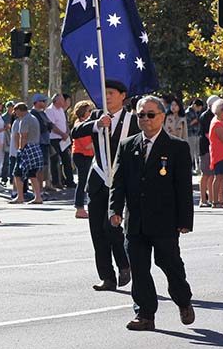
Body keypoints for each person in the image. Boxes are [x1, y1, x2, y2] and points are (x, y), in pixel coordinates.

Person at [109, 95, 195, 331]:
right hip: (135, 221)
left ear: (162, 117)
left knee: (169, 264)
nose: (145, 119)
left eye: (150, 114)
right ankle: (145, 314)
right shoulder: (128, 146)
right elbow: (118, 183)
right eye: (140, 115)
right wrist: (115, 209)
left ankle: (183, 300)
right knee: (139, 268)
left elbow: (183, 188)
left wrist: (185, 220)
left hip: (165, 221)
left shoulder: (177, 147)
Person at [71, 80, 136, 291]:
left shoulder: (132, 120)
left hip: (121, 181)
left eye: (111, 93)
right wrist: (96, 124)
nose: (107, 96)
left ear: (122, 95)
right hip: (98, 179)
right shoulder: (98, 115)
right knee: (97, 231)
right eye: (104, 93)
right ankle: (107, 277)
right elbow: (76, 131)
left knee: (112, 227)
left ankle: (124, 264)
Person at [10, 103, 43, 204]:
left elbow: (23, 136)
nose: (15, 113)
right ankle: (38, 197)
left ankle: (20, 196)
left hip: (27, 148)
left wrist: (20, 149)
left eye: (16, 111)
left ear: (20, 110)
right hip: (36, 147)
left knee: (17, 173)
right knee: (32, 174)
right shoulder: (33, 118)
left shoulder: (24, 120)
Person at [45, 94, 75, 189]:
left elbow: (64, 122)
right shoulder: (50, 110)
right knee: (55, 160)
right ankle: (56, 182)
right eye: (62, 100)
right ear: (56, 101)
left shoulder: (61, 110)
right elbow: (52, 126)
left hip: (64, 139)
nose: (64, 102)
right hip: (54, 139)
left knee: (67, 160)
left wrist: (66, 132)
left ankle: (69, 181)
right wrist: (62, 134)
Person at [71, 101, 94, 219]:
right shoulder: (80, 125)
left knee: (86, 181)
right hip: (82, 155)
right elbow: (87, 145)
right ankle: (79, 207)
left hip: (86, 155)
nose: (91, 113)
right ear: (83, 113)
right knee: (83, 181)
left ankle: (82, 207)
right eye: (89, 111)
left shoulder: (85, 123)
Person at [30, 94, 55, 193]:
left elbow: (50, 125)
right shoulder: (33, 113)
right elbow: (42, 127)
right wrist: (47, 126)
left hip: (45, 142)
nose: (45, 103)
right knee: (39, 167)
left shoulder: (43, 113)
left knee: (44, 166)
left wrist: (47, 126)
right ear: (37, 102)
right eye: (43, 101)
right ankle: (38, 189)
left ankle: (42, 187)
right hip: (38, 143)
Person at [197, 95, 219, 207]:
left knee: (212, 175)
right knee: (205, 174)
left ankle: (211, 198)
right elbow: (207, 134)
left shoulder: (216, 116)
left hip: (213, 148)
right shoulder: (205, 116)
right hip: (206, 148)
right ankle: (202, 199)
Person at [185, 99, 203, 175]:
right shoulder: (188, 112)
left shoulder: (195, 112)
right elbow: (186, 124)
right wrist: (194, 121)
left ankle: (198, 168)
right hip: (190, 134)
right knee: (191, 153)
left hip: (196, 134)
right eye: (199, 108)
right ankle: (190, 169)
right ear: (195, 105)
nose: (199, 110)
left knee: (197, 152)